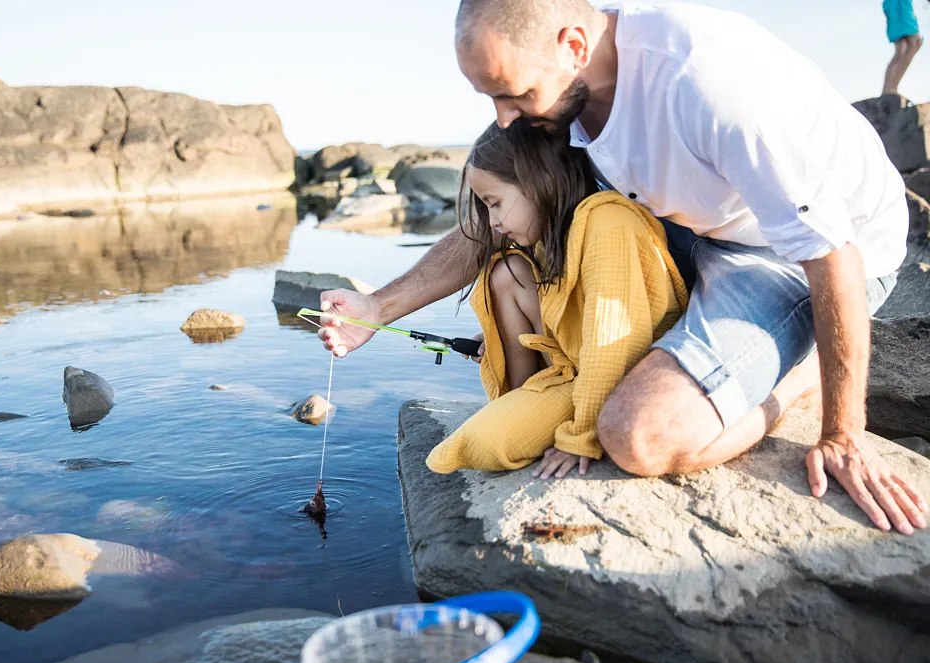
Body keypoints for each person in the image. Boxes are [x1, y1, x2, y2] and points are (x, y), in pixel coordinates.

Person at [319, 0, 927, 535]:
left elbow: (831, 253)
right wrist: (378, 309)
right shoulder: (561, 92)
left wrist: (842, 434)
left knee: (637, 435)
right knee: (518, 255)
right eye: (490, 98)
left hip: (793, 254)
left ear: (574, 45)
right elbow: (496, 212)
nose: (504, 118)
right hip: (694, 226)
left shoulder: (711, 84)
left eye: (513, 93)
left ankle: (802, 374)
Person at [420, 119, 687, 478]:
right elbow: (564, 308)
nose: (493, 221)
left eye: (495, 203)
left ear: (538, 181)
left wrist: (581, 436)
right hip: (573, 360)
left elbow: (611, 349)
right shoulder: (552, 232)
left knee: (479, 444)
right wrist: (497, 338)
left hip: (620, 375)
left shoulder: (609, 224)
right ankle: (521, 400)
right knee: (505, 272)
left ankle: (535, 412)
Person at [882, 0, 923, 95]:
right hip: (899, 5)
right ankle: (890, 90)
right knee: (913, 44)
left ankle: (888, 90)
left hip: (895, 5)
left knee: (902, 49)